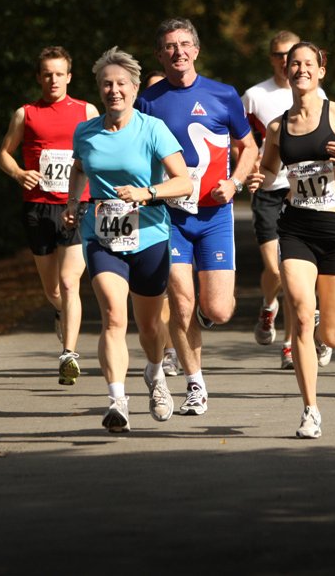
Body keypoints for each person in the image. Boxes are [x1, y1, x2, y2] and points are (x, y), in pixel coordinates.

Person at [62, 46, 192, 433]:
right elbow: (80, 167)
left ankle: (155, 374)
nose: (113, 91)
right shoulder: (86, 131)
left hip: (150, 233)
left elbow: (183, 181)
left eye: (120, 84)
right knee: (114, 316)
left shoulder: (152, 129)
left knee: (150, 327)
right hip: (102, 234)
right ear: (99, 90)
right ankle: (117, 399)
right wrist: (73, 201)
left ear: (135, 89)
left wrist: (148, 193)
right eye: (106, 85)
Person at [135, 17, 260, 415]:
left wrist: (236, 183)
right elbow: (136, 152)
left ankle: (197, 329)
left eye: (185, 44)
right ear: (160, 54)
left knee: (218, 310)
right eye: (170, 46)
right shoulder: (148, 101)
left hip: (215, 215)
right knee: (182, 302)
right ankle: (195, 384)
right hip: (170, 216)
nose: (178, 52)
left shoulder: (223, 95)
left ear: (197, 50)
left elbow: (249, 147)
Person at [258, 41, 335, 438]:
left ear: (321, 71)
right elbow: (268, 167)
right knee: (297, 309)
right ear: (287, 71)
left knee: (333, 335)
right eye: (294, 64)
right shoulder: (278, 127)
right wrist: (256, 179)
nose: (301, 69)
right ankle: (310, 410)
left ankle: (317, 322)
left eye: (308, 63)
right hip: (295, 229)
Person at [0, 46, 99, 386]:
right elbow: (3, 155)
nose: (53, 79)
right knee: (53, 288)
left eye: (59, 74)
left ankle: (69, 355)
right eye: (47, 74)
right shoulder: (25, 114)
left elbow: (103, 152)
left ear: (69, 77)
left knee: (71, 282)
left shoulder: (87, 111)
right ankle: (59, 312)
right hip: (38, 206)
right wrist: (18, 174)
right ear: (39, 77)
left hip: (77, 205)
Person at [241, 30, 332, 370]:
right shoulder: (253, 96)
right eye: (280, 55)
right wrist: (244, 173)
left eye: (291, 56)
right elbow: (242, 142)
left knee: (296, 274)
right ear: (272, 59)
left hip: (303, 193)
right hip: (268, 187)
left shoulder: (318, 93)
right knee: (275, 270)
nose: (286, 62)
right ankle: (268, 306)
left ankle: (291, 345)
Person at [143, 70, 181, 378]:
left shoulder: (176, 121)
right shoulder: (138, 123)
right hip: (151, 212)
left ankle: (201, 312)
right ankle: (169, 352)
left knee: (184, 289)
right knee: (166, 287)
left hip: (186, 207)